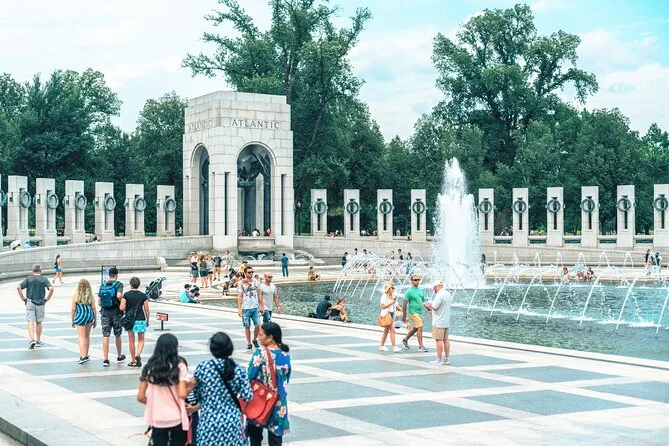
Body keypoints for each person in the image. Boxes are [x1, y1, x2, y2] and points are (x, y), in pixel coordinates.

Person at [193, 332, 253, 445]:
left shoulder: (203, 368)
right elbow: (247, 396)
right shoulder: (239, 370)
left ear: (212, 348)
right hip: (232, 423)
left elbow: (196, 394)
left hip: (209, 423)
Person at [137, 333, 196, 446]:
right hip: (176, 418)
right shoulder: (179, 367)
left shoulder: (150, 367)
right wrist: (190, 386)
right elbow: (182, 394)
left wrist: (155, 404)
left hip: (157, 418)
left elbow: (140, 397)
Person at [247, 322, 291, 446]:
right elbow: (286, 378)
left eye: (261, 335)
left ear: (270, 337)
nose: (258, 338)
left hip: (260, 399)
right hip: (278, 400)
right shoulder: (285, 355)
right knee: (276, 437)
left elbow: (249, 375)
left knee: (255, 435)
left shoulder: (260, 353)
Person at [16, 264, 54, 349]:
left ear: (32, 270)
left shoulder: (28, 278)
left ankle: (31, 339)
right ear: (40, 270)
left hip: (30, 302)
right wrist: (47, 298)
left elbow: (18, 287)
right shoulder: (44, 279)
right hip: (40, 302)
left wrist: (23, 298)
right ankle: (38, 341)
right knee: (39, 322)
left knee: (30, 321)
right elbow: (51, 288)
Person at [98, 267, 126, 367]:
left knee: (106, 335)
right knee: (117, 334)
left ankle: (106, 359)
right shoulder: (118, 284)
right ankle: (119, 355)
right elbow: (119, 295)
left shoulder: (103, 284)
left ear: (109, 275)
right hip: (116, 312)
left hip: (105, 312)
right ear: (116, 275)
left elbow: (99, 302)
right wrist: (123, 300)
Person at [120, 277, 150, 367]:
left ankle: (133, 360)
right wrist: (148, 320)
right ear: (139, 285)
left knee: (131, 341)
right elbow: (146, 309)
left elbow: (122, 307)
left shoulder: (126, 295)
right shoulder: (143, 295)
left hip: (130, 320)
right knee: (141, 339)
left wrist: (127, 309)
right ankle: (138, 354)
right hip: (140, 318)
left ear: (130, 285)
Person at [424, 281, 452, 365]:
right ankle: (446, 359)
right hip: (446, 321)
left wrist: (428, 305)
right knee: (446, 340)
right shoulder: (447, 294)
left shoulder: (440, 294)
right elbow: (441, 307)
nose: (434, 290)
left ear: (437, 286)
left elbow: (435, 306)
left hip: (438, 322)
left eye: (434, 288)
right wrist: (432, 311)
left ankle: (438, 359)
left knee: (438, 340)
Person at [237, 266, 264, 351]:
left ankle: (254, 339)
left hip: (255, 307)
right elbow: (240, 296)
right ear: (245, 273)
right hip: (245, 308)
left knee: (257, 325)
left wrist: (262, 306)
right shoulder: (241, 283)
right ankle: (249, 343)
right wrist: (239, 308)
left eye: (252, 272)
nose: (251, 274)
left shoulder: (256, 282)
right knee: (247, 326)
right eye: (249, 272)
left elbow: (259, 294)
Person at [70, 279, 97, 363]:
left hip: (80, 316)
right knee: (87, 336)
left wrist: (72, 320)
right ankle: (86, 354)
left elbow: (73, 309)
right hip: (89, 316)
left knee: (81, 337)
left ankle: (83, 356)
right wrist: (95, 319)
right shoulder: (90, 296)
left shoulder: (76, 296)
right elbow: (94, 308)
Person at [401, 274, 428, 352]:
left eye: (418, 280)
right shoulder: (409, 291)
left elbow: (424, 301)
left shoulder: (421, 290)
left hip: (419, 312)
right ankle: (421, 346)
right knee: (420, 327)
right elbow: (404, 304)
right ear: (411, 281)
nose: (417, 281)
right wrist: (404, 316)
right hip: (413, 312)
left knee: (415, 328)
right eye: (415, 280)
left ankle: (405, 340)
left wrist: (429, 309)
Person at [379, 283, 402, 352]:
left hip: (392, 315)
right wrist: (391, 302)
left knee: (386, 331)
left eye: (393, 288)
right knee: (392, 330)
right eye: (392, 288)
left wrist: (402, 310)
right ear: (388, 289)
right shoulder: (384, 296)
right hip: (386, 315)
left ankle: (381, 346)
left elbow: (396, 305)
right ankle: (394, 347)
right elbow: (383, 306)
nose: (393, 289)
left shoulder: (393, 296)